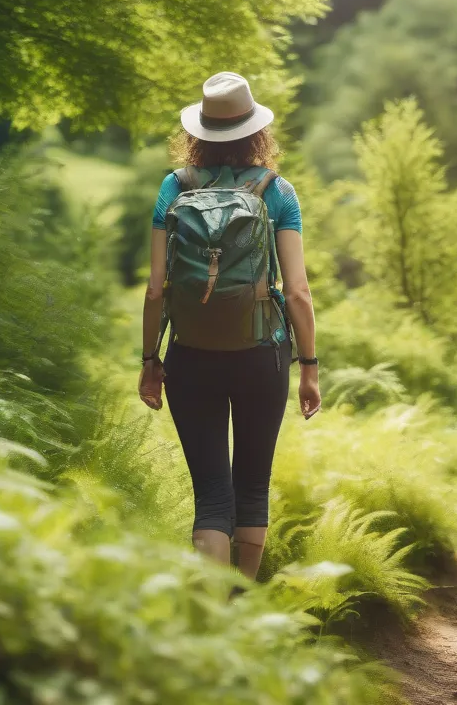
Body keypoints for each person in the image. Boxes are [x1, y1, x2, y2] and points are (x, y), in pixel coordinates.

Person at [137, 71, 321, 580]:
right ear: (255, 131)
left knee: (212, 494)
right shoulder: (278, 192)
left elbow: (156, 289)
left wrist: (150, 360)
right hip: (263, 353)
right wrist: (309, 367)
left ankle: (210, 622)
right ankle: (241, 615)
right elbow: (299, 292)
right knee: (253, 486)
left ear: (199, 131)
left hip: (191, 353)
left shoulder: (173, 187)